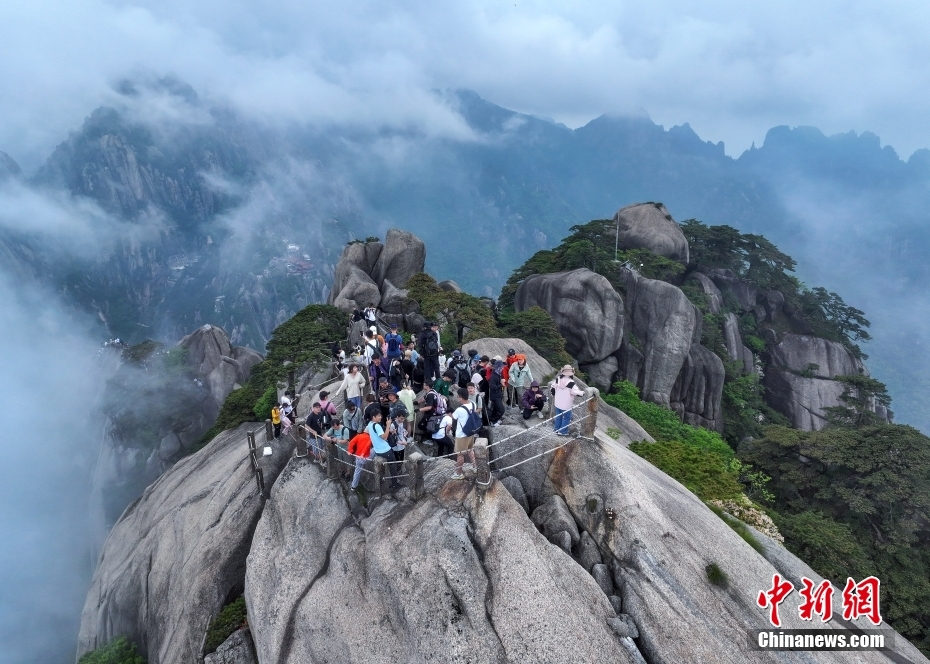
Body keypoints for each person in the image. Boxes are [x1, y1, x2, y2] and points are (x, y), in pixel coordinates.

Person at [367, 410, 400, 489]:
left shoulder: (370, 424)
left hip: (377, 450)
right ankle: (394, 484)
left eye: (380, 415)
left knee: (387, 466)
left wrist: (390, 431)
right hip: (385, 450)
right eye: (378, 416)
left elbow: (378, 434)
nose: (380, 417)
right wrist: (388, 425)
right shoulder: (377, 426)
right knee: (393, 466)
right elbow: (384, 437)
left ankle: (386, 482)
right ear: (373, 417)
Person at [451, 387, 477, 480]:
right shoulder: (473, 404)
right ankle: (475, 467)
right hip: (470, 432)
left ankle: (459, 473)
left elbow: (453, 417)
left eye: (458, 396)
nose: (457, 398)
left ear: (461, 397)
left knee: (460, 454)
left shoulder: (459, 409)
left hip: (462, 435)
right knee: (470, 450)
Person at [550, 365, 585, 435]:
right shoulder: (571, 382)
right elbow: (575, 392)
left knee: (558, 416)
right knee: (566, 418)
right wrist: (583, 393)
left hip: (557, 403)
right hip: (566, 405)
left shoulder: (558, 379)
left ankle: (556, 429)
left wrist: (553, 394)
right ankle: (563, 431)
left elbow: (553, 387)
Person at [418, 321, 442, 385]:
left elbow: (420, 344)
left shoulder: (423, 334)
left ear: (424, 327)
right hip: (434, 353)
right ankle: (438, 380)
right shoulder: (434, 333)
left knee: (427, 367)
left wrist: (422, 354)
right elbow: (436, 342)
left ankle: (428, 381)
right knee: (436, 367)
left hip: (426, 354)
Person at [488, 359, 506, 427]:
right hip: (495, 396)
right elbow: (492, 387)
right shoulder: (493, 376)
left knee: (495, 409)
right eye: (501, 367)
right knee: (501, 410)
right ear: (498, 367)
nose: (502, 368)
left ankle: (492, 421)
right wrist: (501, 384)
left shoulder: (499, 374)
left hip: (498, 394)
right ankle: (494, 421)